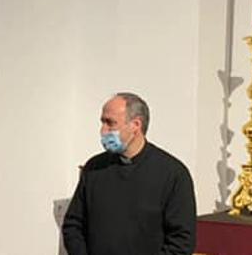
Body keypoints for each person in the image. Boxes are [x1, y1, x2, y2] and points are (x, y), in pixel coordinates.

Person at [62, 93, 195, 255]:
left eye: (110, 123)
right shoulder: (94, 168)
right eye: (102, 122)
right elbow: (73, 224)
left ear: (136, 125)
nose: (103, 130)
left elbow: (181, 241)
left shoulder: (173, 174)